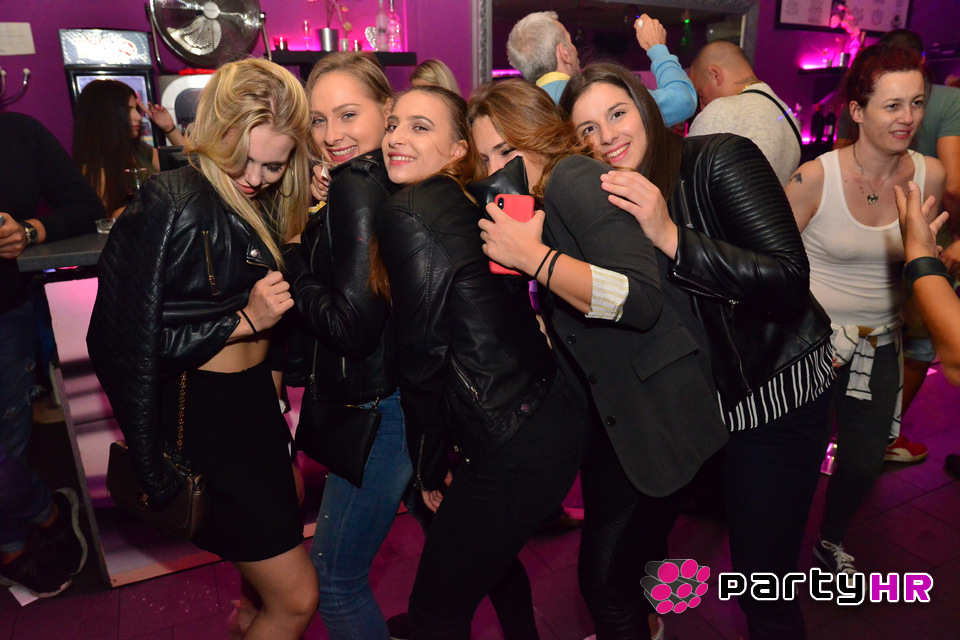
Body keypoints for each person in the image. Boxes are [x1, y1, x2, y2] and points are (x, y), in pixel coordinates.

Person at [557, 61, 835, 640]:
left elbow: (788, 280)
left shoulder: (718, 158)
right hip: (701, 406)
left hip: (773, 395)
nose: (607, 137)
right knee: (644, 552)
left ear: (646, 108)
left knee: (764, 582)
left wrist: (670, 236)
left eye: (617, 113)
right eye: (587, 129)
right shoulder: (607, 198)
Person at [469, 78, 730, 640]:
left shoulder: (574, 177)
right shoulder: (542, 198)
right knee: (627, 572)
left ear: (538, 134)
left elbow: (638, 300)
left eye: (506, 149)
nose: (495, 168)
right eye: (484, 158)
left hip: (657, 415)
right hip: (622, 417)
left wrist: (534, 259)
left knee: (604, 582)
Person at [86, 58, 318, 639]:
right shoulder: (171, 200)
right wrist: (240, 321)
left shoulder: (268, 200)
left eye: (273, 164)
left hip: (254, 405)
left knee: (262, 588)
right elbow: (123, 344)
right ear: (218, 133)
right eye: (242, 160)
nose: (256, 177)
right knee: (296, 600)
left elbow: (276, 322)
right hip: (208, 417)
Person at [374, 85, 589, 639]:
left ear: (457, 150)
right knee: (489, 562)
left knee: (435, 614)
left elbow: (424, 353)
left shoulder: (408, 211)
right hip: (546, 415)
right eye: (393, 124)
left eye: (420, 127)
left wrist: (428, 462)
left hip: (509, 436)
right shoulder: (470, 198)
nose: (397, 137)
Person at [785, 44, 945, 576]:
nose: (907, 118)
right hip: (812, 346)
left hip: (879, 342)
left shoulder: (930, 174)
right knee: (797, 460)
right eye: (892, 105)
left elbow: (925, 251)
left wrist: (935, 258)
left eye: (916, 103)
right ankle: (776, 549)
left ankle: (829, 542)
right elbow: (772, 265)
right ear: (857, 109)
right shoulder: (815, 177)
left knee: (862, 461)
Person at [279, 52, 409, 640]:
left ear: (387, 108)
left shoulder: (357, 183)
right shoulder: (394, 174)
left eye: (348, 114)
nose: (332, 134)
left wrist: (292, 257)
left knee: (333, 580)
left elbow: (352, 325)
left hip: (377, 406)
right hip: (405, 395)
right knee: (457, 544)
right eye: (319, 119)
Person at [0, 112, 102, 598]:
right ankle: (48, 511)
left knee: (10, 438)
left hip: (6, 314)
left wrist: (30, 231)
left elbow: (86, 206)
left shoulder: (20, 134)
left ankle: (11, 546)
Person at [506, 11, 697, 126]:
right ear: (564, 53)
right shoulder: (597, 94)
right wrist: (657, 48)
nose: (575, 51)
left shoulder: (517, 112)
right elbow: (683, 101)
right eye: (571, 42)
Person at [687, 40, 802, 185]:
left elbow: (686, 181)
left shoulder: (722, 110)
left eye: (701, 95)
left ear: (715, 75)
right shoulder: (789, 118)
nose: (702, 107)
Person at [72, 79, 185, 217]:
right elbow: (108, 216)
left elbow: (190, 164)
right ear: (107, 115)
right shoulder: (92, 167)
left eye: (136, 109)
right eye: (129, 109)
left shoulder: (141, 151)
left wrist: (169, 128)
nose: (138, 117)